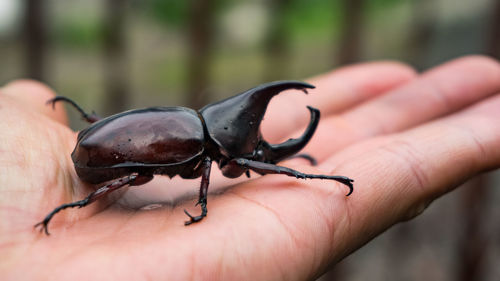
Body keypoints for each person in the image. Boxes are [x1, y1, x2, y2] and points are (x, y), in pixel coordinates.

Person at [1, 55, 499, 280]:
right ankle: (85, 199)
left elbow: (230, 161)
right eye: (252, 149)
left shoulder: (196, 129)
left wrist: (296, 165)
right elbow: (220, 166)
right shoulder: (195, 138)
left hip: (97, 141)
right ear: (229, 141)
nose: (257, 155)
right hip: (96, 163)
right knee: (136, 173)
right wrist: (303, 174)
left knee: (140, 170)